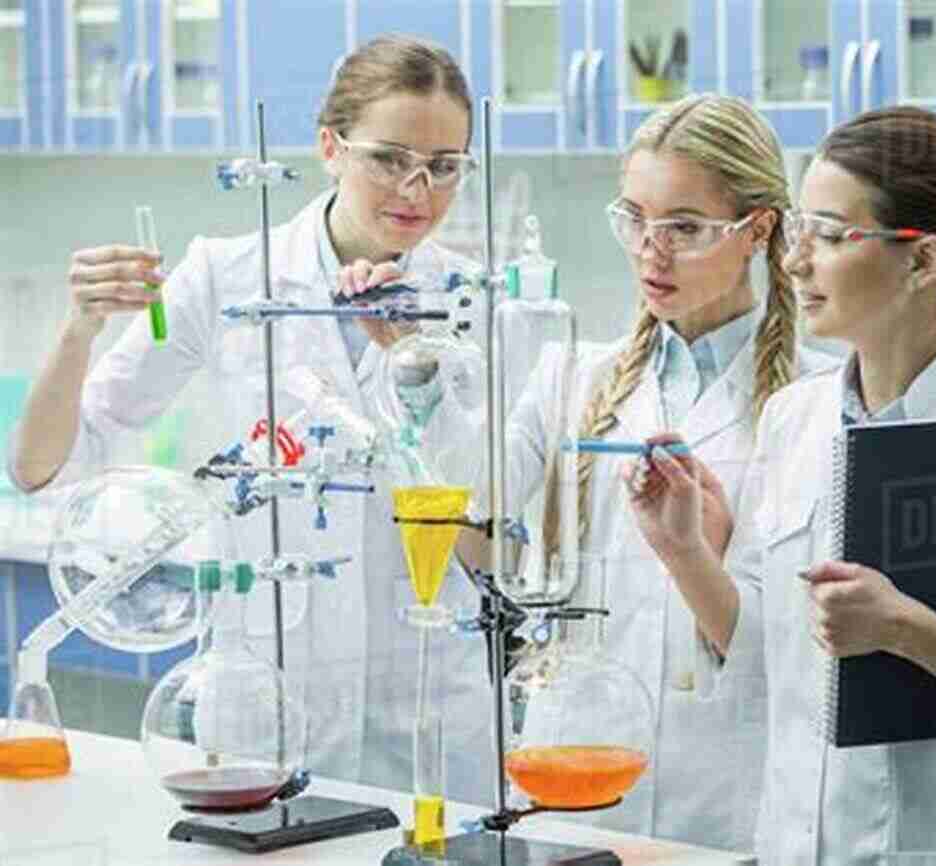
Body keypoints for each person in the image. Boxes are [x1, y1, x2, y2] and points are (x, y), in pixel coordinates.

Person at [624, 106, 936, 865]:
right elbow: (774, 657)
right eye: (800, 231)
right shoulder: (796, 418)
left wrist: (907, 630)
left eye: (829, 237)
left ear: (923, 261)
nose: (794, 263)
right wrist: (686, 552)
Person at [341, 94, 837, 852]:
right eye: (634, 219)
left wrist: (692, 552)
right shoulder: (572, 375)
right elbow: (472, 514)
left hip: (729, 788)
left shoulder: (821, 402)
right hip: (570, 767)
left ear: (758, 229)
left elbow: (800, 652)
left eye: (684, 227)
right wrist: (410, 364)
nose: (650, 250)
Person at [7, 34, 498, 799]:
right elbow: (50, 465)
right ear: (329, 146)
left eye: (445, 167)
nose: (418, 190)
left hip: (430, 704)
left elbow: (491, 520)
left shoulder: (475, 299)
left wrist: (417, 370)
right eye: (389, 158)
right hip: (269, 695)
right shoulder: (227, 275)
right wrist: (80, 328)